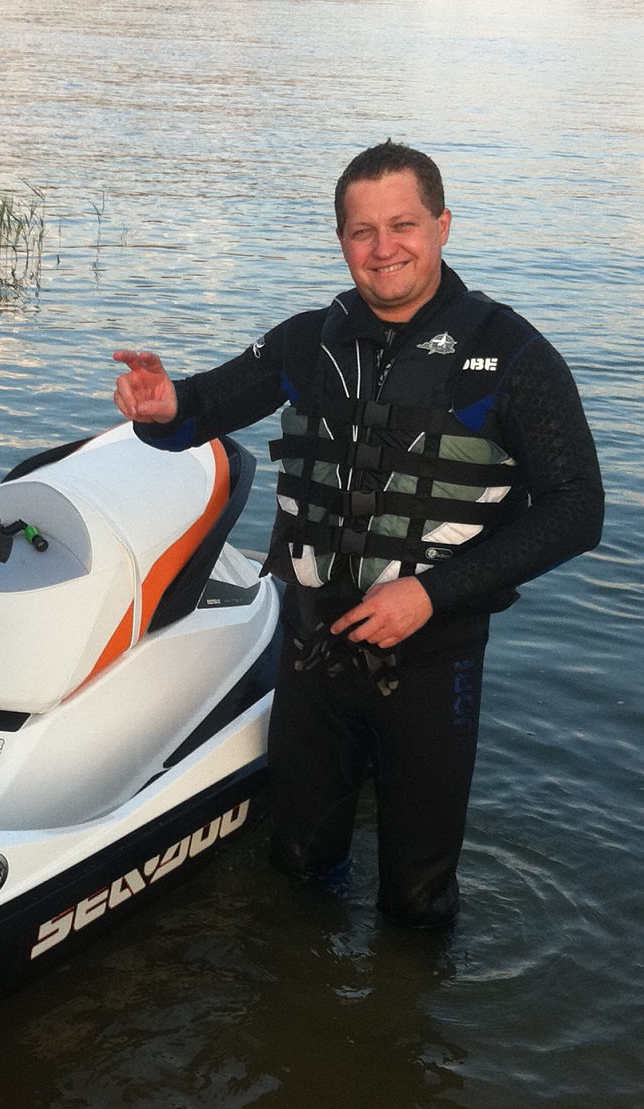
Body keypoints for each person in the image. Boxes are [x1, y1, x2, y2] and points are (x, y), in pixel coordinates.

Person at [111, 141, 604, 928]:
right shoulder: (310, 340)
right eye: (361, 231)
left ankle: (410, 995)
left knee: (417, 900)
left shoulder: (512, 356)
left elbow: (578, 509)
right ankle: (305, 997)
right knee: (298, 871)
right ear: (341, 239)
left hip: (433, 662)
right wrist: (160, 409)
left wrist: (431, 594)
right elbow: (199, 408)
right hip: (312, 654)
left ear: (442, 225)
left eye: (402, 224)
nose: (383, 249)